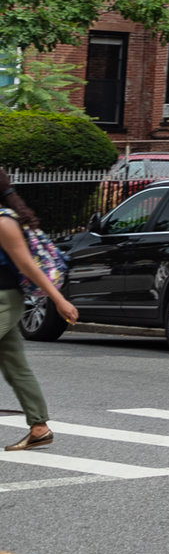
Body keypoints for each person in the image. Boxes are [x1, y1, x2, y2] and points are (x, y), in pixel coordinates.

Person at [0, 169, 79, 451]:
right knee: (14, 366)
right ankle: (39, 427)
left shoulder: (4, 222)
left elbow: (27, 266)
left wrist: (59, 300)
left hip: (3, 299)